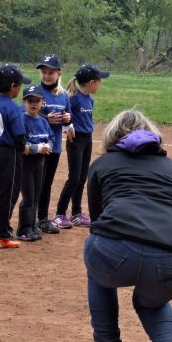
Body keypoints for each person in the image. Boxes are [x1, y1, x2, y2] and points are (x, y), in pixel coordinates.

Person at [84, 109, 172, 342]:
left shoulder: (102, 164)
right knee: (152, 300)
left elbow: (99, 221)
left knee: (97, 267)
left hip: (116, 251)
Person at [54, 63, 109, 229]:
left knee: (82, 177)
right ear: (92, 83)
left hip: (87, 139)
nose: (100, 84)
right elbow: (65, 116)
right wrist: (66, 128)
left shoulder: (90, 99)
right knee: (74, 178)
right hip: (75, 141)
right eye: (99, 81)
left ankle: (76, 213)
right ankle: (59, 214)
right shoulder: (74, 98)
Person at [0, 64, 29, 249]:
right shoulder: (12, 106)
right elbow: (19, 135)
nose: (20, 88)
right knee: (8, 193)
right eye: (19, 85)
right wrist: (23, 147)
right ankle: (2, 235)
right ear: (12, 87)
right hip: (9, 153)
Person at [35, 54, 72, 233]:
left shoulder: (63, 95)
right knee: (36, 183)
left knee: (47, 183)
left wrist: (67, 118)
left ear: (59, 73)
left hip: (55, 146)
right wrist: (45, 117)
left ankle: (42, 219)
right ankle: (29, 220)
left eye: (51, 72)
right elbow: (26, 115)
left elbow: (68, 119)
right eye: (44, 72)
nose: (47, 76)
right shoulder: (35, 91)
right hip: (38, 146)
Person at [17, 83, 54, 241]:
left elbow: (51, 138)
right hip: (25, 166)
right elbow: (22, 144)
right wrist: (39, 148)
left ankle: (32, 226)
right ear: (24, 103)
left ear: (42, 103)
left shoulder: (44, 122)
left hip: (39, 165)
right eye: (29, 101)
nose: (33, 104)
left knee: (36, 196)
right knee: (29, 197)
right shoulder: (22, 121)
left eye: (36, 101)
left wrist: (49, 146)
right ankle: (23, 229)